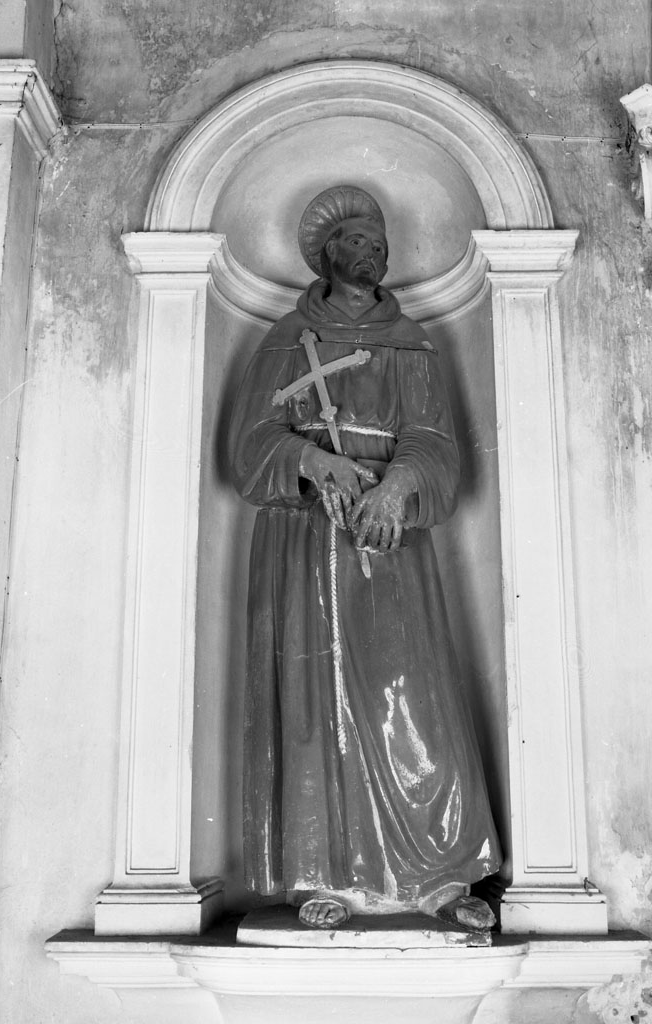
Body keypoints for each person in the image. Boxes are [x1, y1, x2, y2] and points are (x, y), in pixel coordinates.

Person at [228, 185, 501, 931]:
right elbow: (248, 447)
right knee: (317, 702)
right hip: (306, 543)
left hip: (390, 542)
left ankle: (440, 874)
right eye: (354, 240)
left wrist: (400, 485)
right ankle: (321, 872)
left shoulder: (410, 342)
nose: (370, 250)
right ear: (327, 254)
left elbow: (436, 440)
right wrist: (311, 463)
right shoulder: (286, 340)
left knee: (409, 693)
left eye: (377, 241)